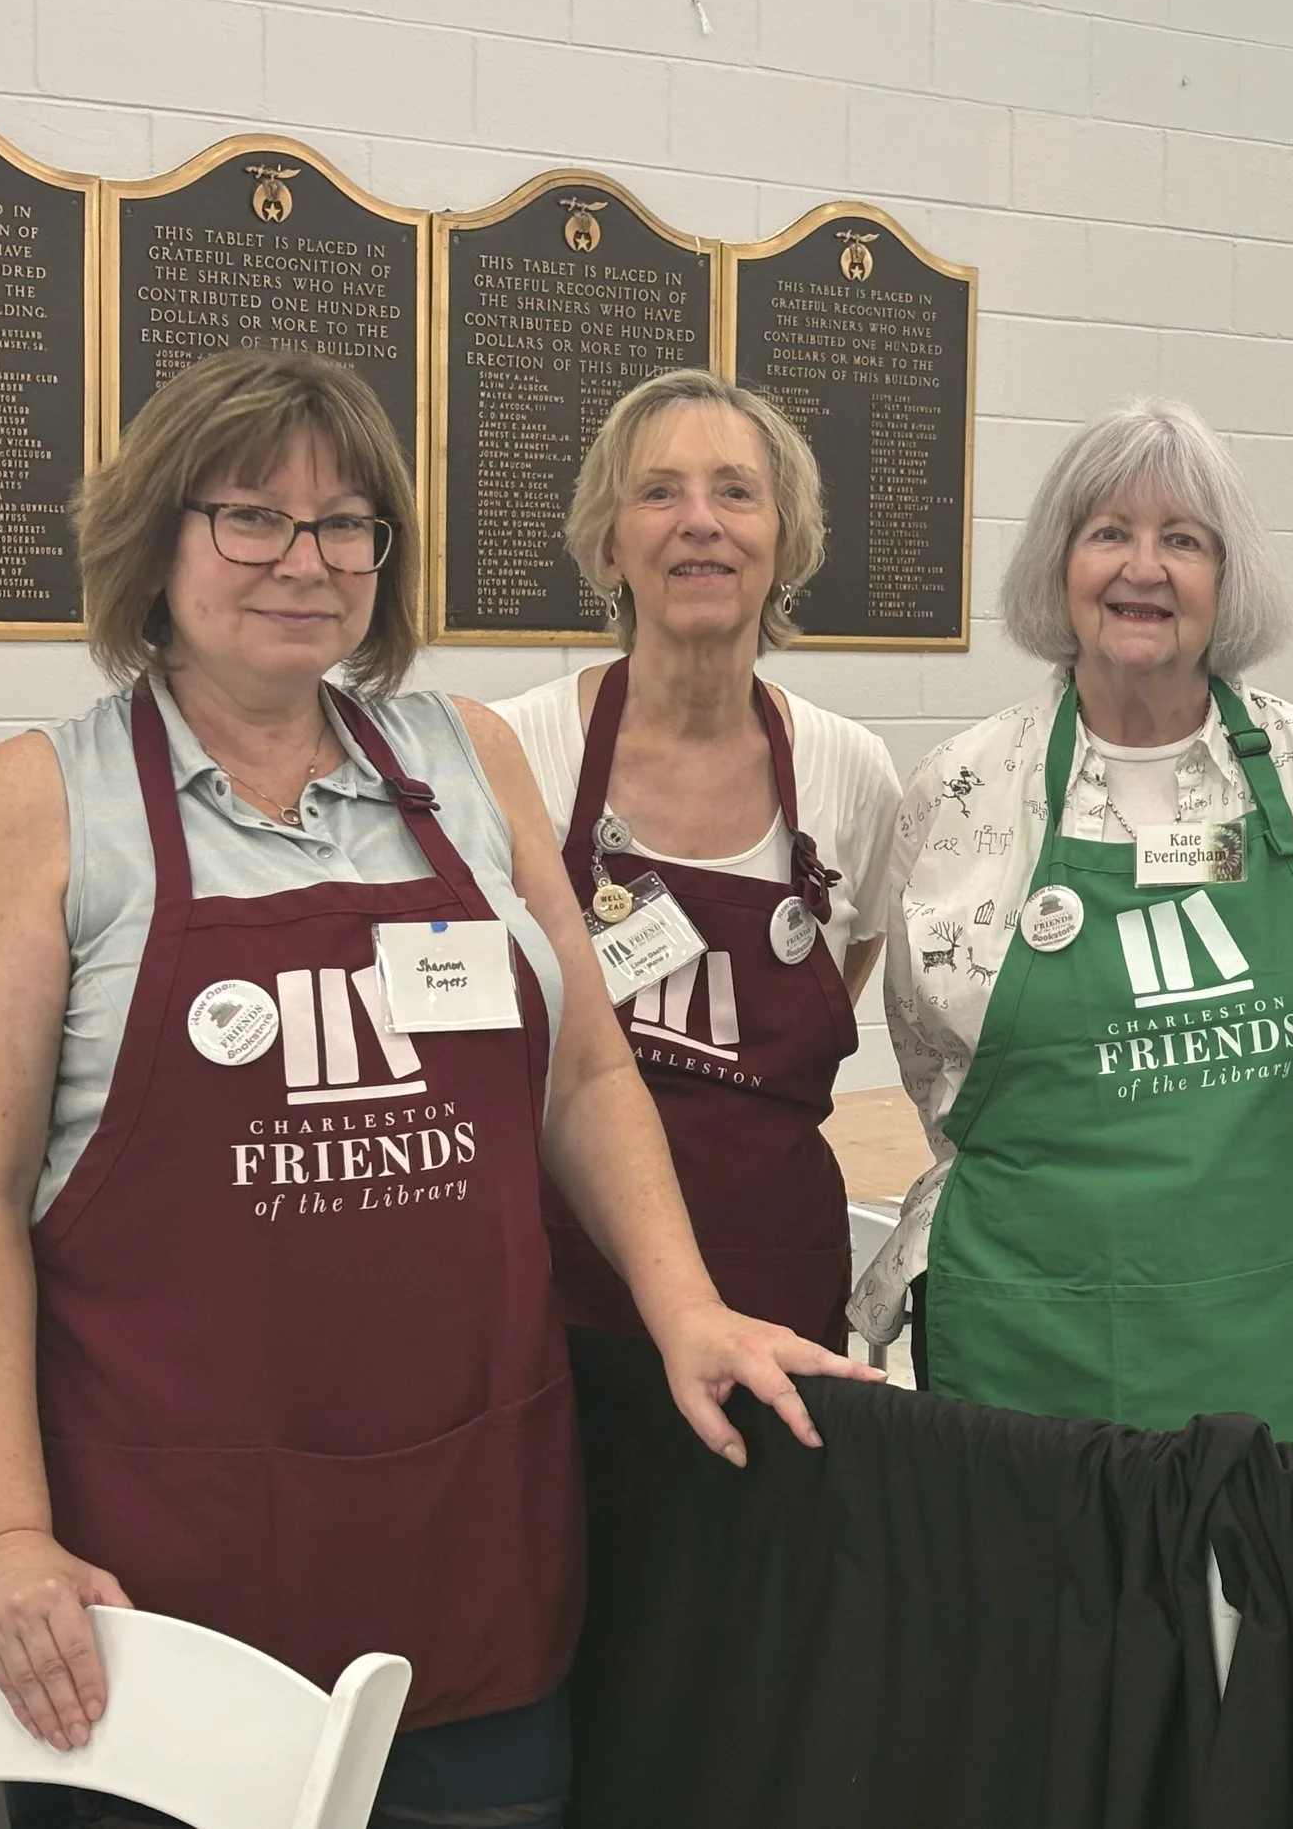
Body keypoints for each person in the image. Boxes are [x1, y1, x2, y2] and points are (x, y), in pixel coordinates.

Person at [0, 349, 874, 1829]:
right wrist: (2, 1526)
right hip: (161, 1588)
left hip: (467, 1552)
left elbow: (585, 1068)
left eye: (346, 524)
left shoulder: (467, 763)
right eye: (249, 516)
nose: (303, 560)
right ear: (157, 538)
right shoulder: (40, 802)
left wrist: (683, 1302)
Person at [850, 398, 1293, 1457]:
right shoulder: (963, 790)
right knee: (1034, 1609)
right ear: (1059, 567)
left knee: (1258, 1610)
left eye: (1183, 541)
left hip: (1269, 1316)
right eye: (1108, 532)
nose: (1143, 568)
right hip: (1028, 1316)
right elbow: (933, 1054)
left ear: (1227, 577)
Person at [488, 369, 900, 1810]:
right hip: (554, 1310)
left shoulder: (848, 771)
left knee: (746, 1672)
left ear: (787, 538)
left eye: (737, 491)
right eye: (659, 490)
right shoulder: (514, 753)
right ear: (608, 538)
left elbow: (835, 992)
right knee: (564, 1660)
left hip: (779, 1292)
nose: (699, 523)